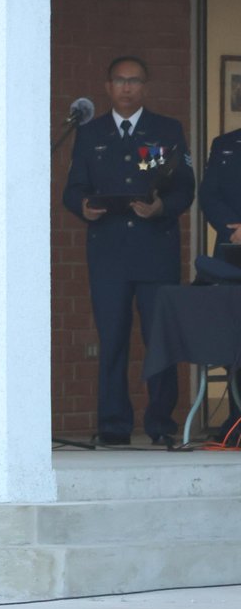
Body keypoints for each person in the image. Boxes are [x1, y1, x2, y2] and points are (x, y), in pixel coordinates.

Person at [62, 55, 196, 447]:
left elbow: (185, 188)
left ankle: (161, 423)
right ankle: (114, 425)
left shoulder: (166, 130)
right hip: (109, 253)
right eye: (120, 81)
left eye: (134, 81)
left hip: (155, 251)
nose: (126, 88)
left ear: (145, 88)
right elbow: (73, 188)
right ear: (108, 87)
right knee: (113, 339)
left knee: (160, 339)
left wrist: (161, 208)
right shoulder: (91, 132)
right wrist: (82, 207)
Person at [198, 127, 241, 435]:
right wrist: (233, 231)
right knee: (233, 336)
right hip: (232, 252)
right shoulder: (224, 144)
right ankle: (236, 418)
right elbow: (209, 194)